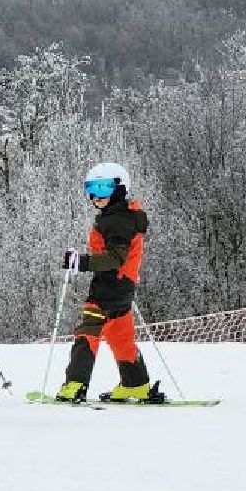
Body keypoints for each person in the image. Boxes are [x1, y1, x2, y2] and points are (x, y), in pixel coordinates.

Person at [53, 161, 163, 403]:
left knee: (88, 332)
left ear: (120, 189)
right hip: (123, 287)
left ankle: (75, 384)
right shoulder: (125, 215)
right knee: (120, 336)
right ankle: (136, 385)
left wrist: (81, 262)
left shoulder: (116, 221)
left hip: (109, 287)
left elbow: (115, 258)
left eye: (103, 189)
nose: (96, 196)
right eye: (91, 189)